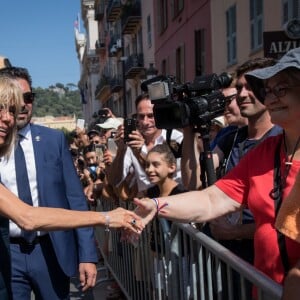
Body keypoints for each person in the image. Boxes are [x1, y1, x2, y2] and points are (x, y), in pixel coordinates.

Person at [133, 47, 300, 286]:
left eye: (281, 89)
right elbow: (212, 200)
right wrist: (156, 205)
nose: (270, 98)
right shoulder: (265, 151)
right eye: (268, 90)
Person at [0, 75, 143, 299]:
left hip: (50, 248)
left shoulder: (53, 140)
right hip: (7, 250)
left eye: (18, 103)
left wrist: (87, 254)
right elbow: (27, 217)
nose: (9, 116)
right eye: (2, 107)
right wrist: (105, 218)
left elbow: (74, 198)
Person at [107, 93, 183, 198]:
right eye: (141, 116)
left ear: (160, 114)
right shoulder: (131, 142)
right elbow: (114, 180)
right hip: (148, 204)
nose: (145, 122)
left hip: (174, 199)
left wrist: (140, 155)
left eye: (151, 116)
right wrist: (121, 150)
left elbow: (171, 174)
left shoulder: (174, 139)